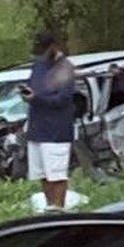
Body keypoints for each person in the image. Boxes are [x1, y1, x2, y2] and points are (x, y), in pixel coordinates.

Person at [22, 31, 76, 210]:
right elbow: (33, 86)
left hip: (56, 131)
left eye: (45, 50)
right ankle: (49, 207)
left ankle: (59, 208)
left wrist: (36, 99)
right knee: (42, 174)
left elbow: (62, 99)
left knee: (56, 175)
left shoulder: (65, 68)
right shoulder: (38, 65)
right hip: (37, 128)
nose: (42, 54)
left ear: (54, 46)